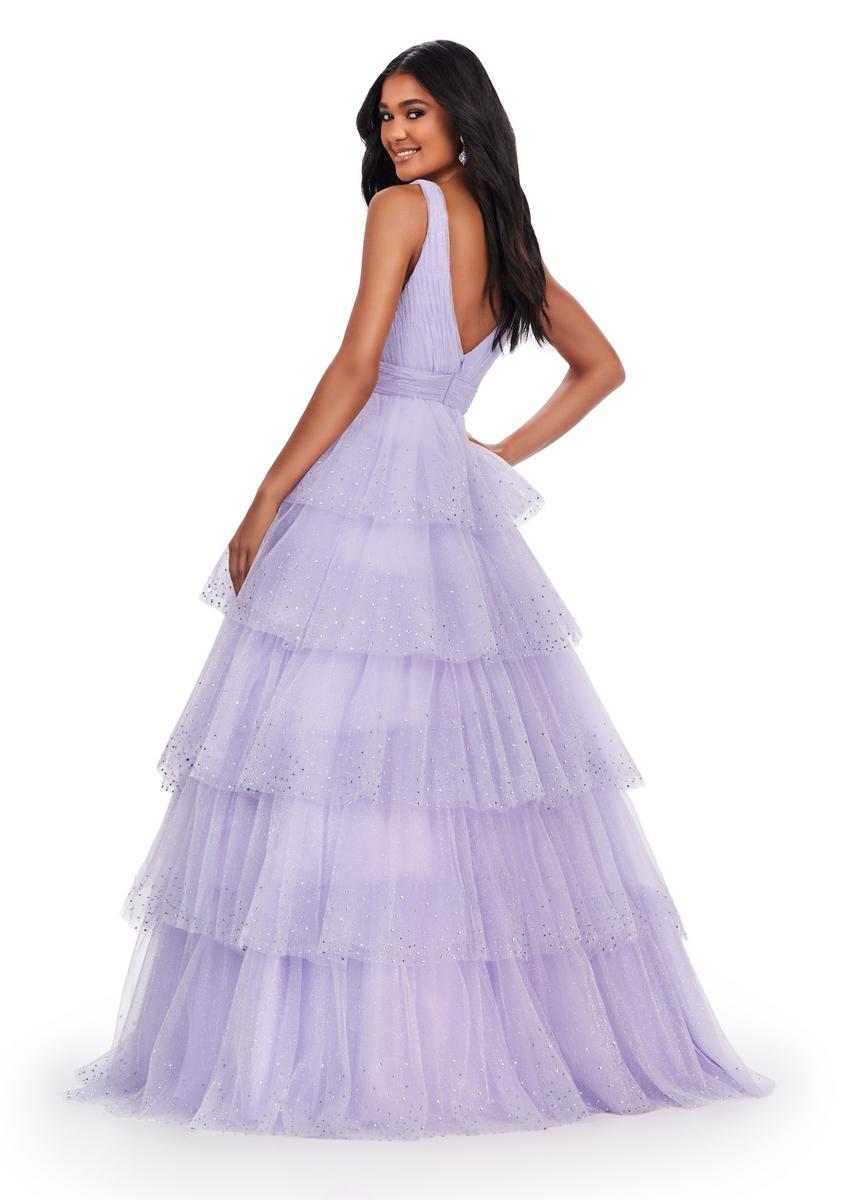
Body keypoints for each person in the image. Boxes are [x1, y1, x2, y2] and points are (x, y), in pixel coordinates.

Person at [66, 39, 774, 1139]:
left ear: (461, 116)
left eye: (413, 113)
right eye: (383, 118)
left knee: (331, 750)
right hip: (445, 493)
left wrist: (265, 496)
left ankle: (330, 1042)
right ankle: (450, 1036)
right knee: (455, 760)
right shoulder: (508, 238)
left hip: (372, 486)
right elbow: (601, 365)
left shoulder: (401, 213)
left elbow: (358, 368)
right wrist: (485, 454)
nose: (394, 135)